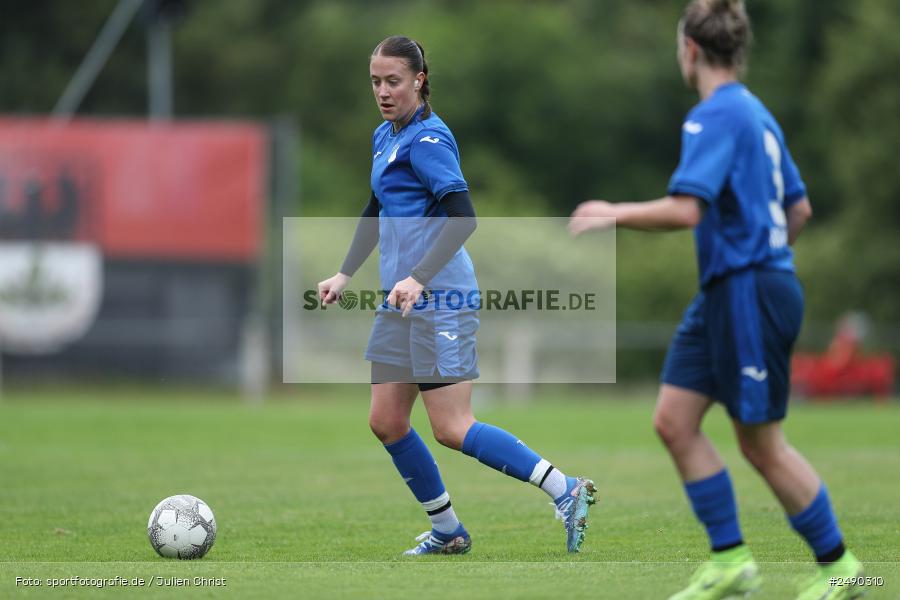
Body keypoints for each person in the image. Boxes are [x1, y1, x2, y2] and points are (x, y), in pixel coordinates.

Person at [568, 1, 864, 598]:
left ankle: (845, 570)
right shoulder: (758, 113)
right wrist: (765, 256)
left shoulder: (715, 115)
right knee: (674, 421)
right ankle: (731, 561)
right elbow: (800, 209)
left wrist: (613, 212)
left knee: (761, 444)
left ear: (690, 50)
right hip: (730, 291)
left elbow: (687, 209)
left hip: (747, 291)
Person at [317, 35, 595, 556]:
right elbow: (376, 209)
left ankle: (565, 488)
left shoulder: (429, 140)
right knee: (386, 421)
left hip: (439, 297)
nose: (382, 91)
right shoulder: (385, 135)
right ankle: (448, 531)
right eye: (375, 82)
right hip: (400, 301)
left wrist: (419, 277)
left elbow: (463, 217)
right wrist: (344, 273)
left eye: (393, 81)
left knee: (451, 427)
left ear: (419, 80)